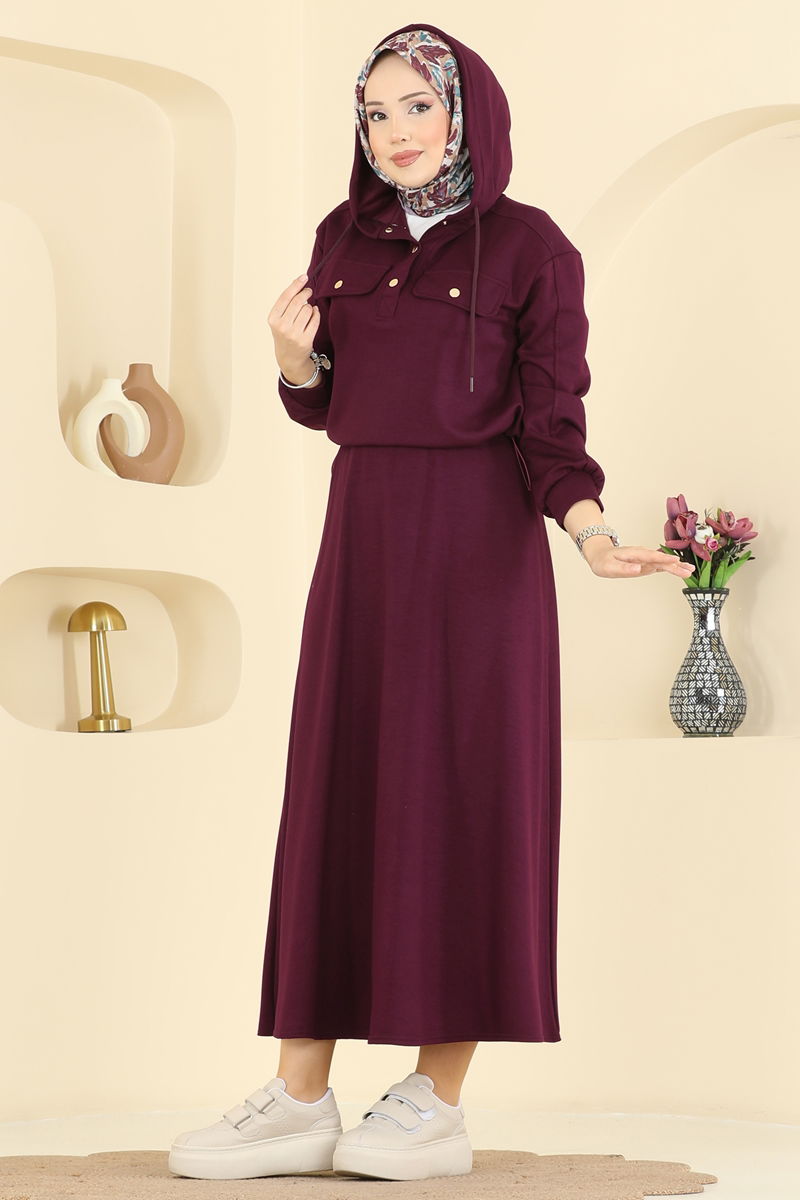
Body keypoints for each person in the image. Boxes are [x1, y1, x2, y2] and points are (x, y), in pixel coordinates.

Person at [168, 23, 696, 1186]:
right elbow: (327, 401)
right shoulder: (342, 236)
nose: (393, 132)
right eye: (374, 112)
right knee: (336, 789)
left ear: (464, 111)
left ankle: (433, 1101)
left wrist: (590, 535)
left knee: (463, 799)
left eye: (416, 106)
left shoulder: (531, 248)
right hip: (361, 537)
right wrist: (291, 361)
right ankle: (298, 1097)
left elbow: (550, 426)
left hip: (477, 553)